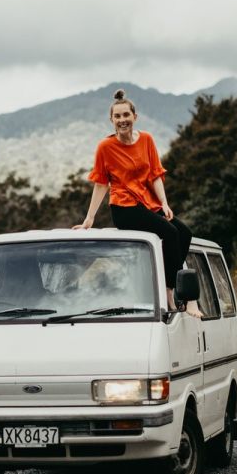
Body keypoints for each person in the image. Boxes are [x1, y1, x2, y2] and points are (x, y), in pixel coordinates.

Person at [73, 88, 199, 315]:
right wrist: (89, 218)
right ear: (111, 120)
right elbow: (101, 184)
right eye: (117, 117)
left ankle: (169, 281)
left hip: (148, 203)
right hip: (124, 208)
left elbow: (155, 175)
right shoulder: (105, 147)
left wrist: (165, 203)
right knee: (169, 234)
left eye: (126, 115)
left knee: (185, 232)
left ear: (134, 117)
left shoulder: (147, 140)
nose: (122, 120)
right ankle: (171, 293)